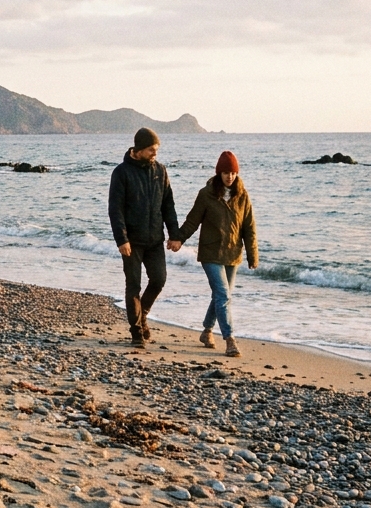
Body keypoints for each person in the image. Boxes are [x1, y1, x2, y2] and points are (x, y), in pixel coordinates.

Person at [172, 150, 258, 357]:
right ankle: (230, 339)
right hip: (211, 253)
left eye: (233, 173)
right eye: (226, 172)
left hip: (233, 254)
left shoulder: (242, 196)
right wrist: (178, 238)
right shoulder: (206, 194)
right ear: (219, 173)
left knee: (221, 296)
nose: (230, 176)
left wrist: (252, 254)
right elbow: (193, 220)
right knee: (223, 295)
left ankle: (207, 331)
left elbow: (249, 226)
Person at [107, 127, 182, 348]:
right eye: (151, 149)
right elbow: (115, 209)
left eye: (156, 149)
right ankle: (136, 332)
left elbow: (168, 205)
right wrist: (121, 239)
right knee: (133, 285)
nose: (155, 153)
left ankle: (143, 315)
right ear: (138, 150)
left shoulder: (161, 171)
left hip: (155, 240)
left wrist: (174, 235)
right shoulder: (121, 173)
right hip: (131, 241)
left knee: (159, 279)